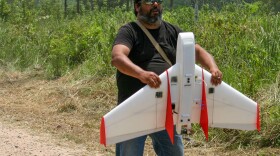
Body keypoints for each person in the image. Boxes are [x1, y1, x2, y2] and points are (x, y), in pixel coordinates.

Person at [111, 0, 223, 155]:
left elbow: (196, 51)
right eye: (149, 1)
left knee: (175, 152)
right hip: (134, 110)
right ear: (137, 7)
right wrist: (141, 74)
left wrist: (213, 68)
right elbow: (117, 58)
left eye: (158, 1)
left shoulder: (172, 31)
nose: (155, 4)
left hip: (166, 110)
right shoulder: (129, 31)